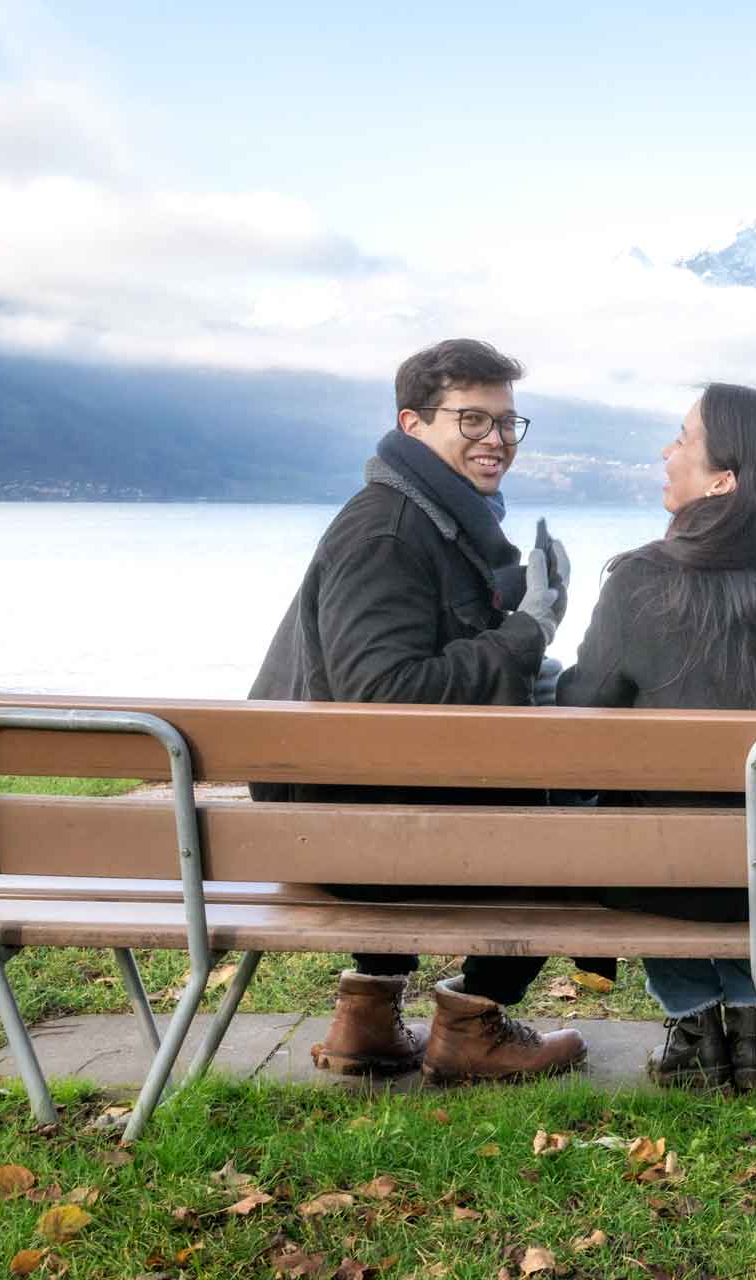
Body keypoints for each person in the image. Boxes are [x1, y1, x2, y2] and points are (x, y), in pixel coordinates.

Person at [248, 338, 586, 1083]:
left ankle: (366, 1016)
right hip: (350, 832)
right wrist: (526, 635)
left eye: (506, 422)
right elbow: (385, 695)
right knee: (578, 821)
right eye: (471, 420)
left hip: (342, 810)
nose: (496, 439)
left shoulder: (428, 517)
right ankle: (476, 1021)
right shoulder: (389, 532)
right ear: (412, 425)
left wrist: (524, 662)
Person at [556, 383, 756, 1089]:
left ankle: (696, 1016)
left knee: (660, 832)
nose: (667, 453)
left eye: (682, 440)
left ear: (722, 480)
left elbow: (584, 714)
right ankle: (748, 1014)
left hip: (670, 878)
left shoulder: (644, 580)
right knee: (718, 834)